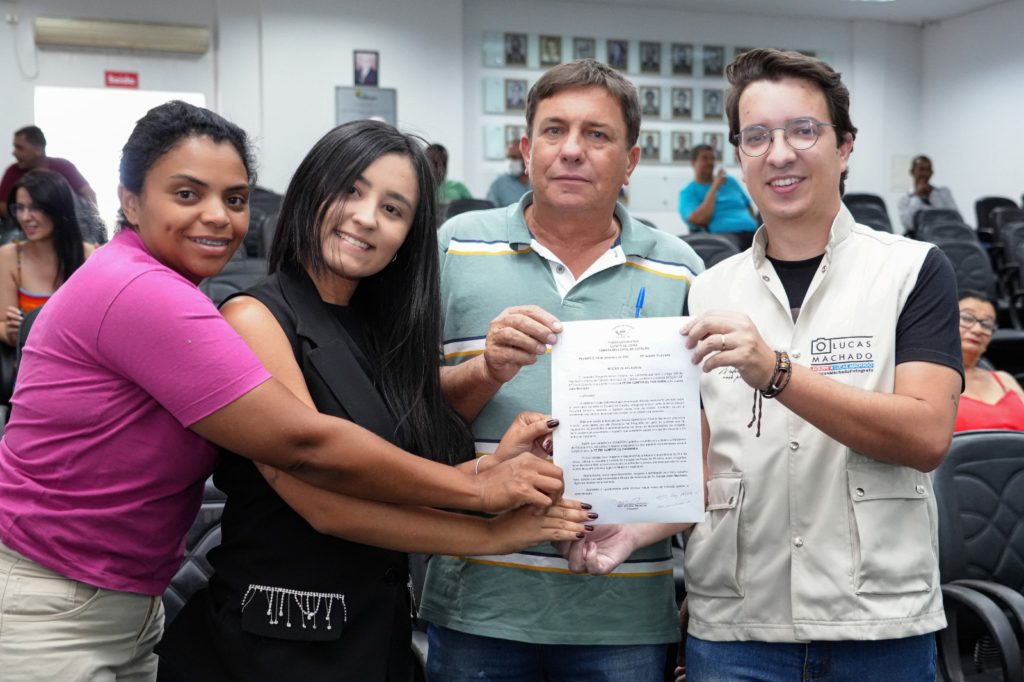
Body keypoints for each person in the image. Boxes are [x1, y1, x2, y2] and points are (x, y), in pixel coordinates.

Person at [0, 101, 570, 680]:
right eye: (187, 194)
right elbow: (310, 454)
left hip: (152, 604)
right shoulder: (168, 297)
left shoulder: (370, 323)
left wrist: (489, 422)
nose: (217, 217)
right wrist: (483, 509)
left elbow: (396, 436)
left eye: (235, 199)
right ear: (129, 199)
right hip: (77, 601)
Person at [565, 48, 964, 682]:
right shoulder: (706, 291)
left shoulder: (912, 271)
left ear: (845, 146)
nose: (780, 153)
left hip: (877, 623)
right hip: (736, 629)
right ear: (740, 156)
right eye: (757, 137)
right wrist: (634, 531)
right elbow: (698, 464)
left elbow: (924, 435)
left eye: (803, 130)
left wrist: (778, 373)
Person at [156, 120, 592, 681]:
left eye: (393, 209)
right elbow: (326, 504)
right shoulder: (253, 316)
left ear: (406, 239)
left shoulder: (377, 331)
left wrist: (495, 462)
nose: (366, 217)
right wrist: (489, 521)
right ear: (313, 191)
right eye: (351, 190)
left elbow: (392, 472)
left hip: (373, 632)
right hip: (277, 643)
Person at [419, 58, 704, 681]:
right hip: (481, 603)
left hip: (623, 610)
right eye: (553, 131)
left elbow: (706, 451)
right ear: (526, 150)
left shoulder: (682, 271)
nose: (572, 150)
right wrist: (488, 370)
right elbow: (410, 427)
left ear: (630, 161)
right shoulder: (455, 247)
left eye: (597, 135)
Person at [0, 169, 96, 346]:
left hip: (79, 362)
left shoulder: (90, 257)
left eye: (35, 207)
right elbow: (2, 324)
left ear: (58, 209)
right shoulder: (9, 256)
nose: (24, 217)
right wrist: (11, 330)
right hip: (29, 361)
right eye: (19, 208)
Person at [955, 291, 1024, 431]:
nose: (978, 329)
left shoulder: (1005, 380)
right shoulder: (929, 379)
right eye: (967, 318)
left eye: (987, 325)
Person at [0, 126, 98, 220]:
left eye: (20, 148)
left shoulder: (63, 166)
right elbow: (2, 205)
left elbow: (88, 193)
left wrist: (92, 222)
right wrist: (25, 218)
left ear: (38, 150)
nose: (14, 152)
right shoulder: (13, 171)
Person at [678, 143, 757, 241]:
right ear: (693, 162)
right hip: (722, 238)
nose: (710, 162)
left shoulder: (730, 181)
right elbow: (699, 220)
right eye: (705, 158)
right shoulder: (688, 192)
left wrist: (751, 222)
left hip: (752, 232)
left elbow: (748, 206)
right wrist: (715, 186)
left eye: (712, 158)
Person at [897, 154, 959, 233]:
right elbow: (909, 224)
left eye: (928, 169)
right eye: (921, 169)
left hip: (946, 235)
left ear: (932, 172)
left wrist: (933, 196)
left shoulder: (944, 193)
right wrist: (917, 196)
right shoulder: (904, 200)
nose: (925, 174)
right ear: (912, 172)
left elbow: (955, 218)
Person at [487, 141, 530, 207]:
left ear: (526, 157)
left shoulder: (537, 182)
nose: (510, 161)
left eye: (514, 157)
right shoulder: (499, 184)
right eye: (508, 157)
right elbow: (489, 210)